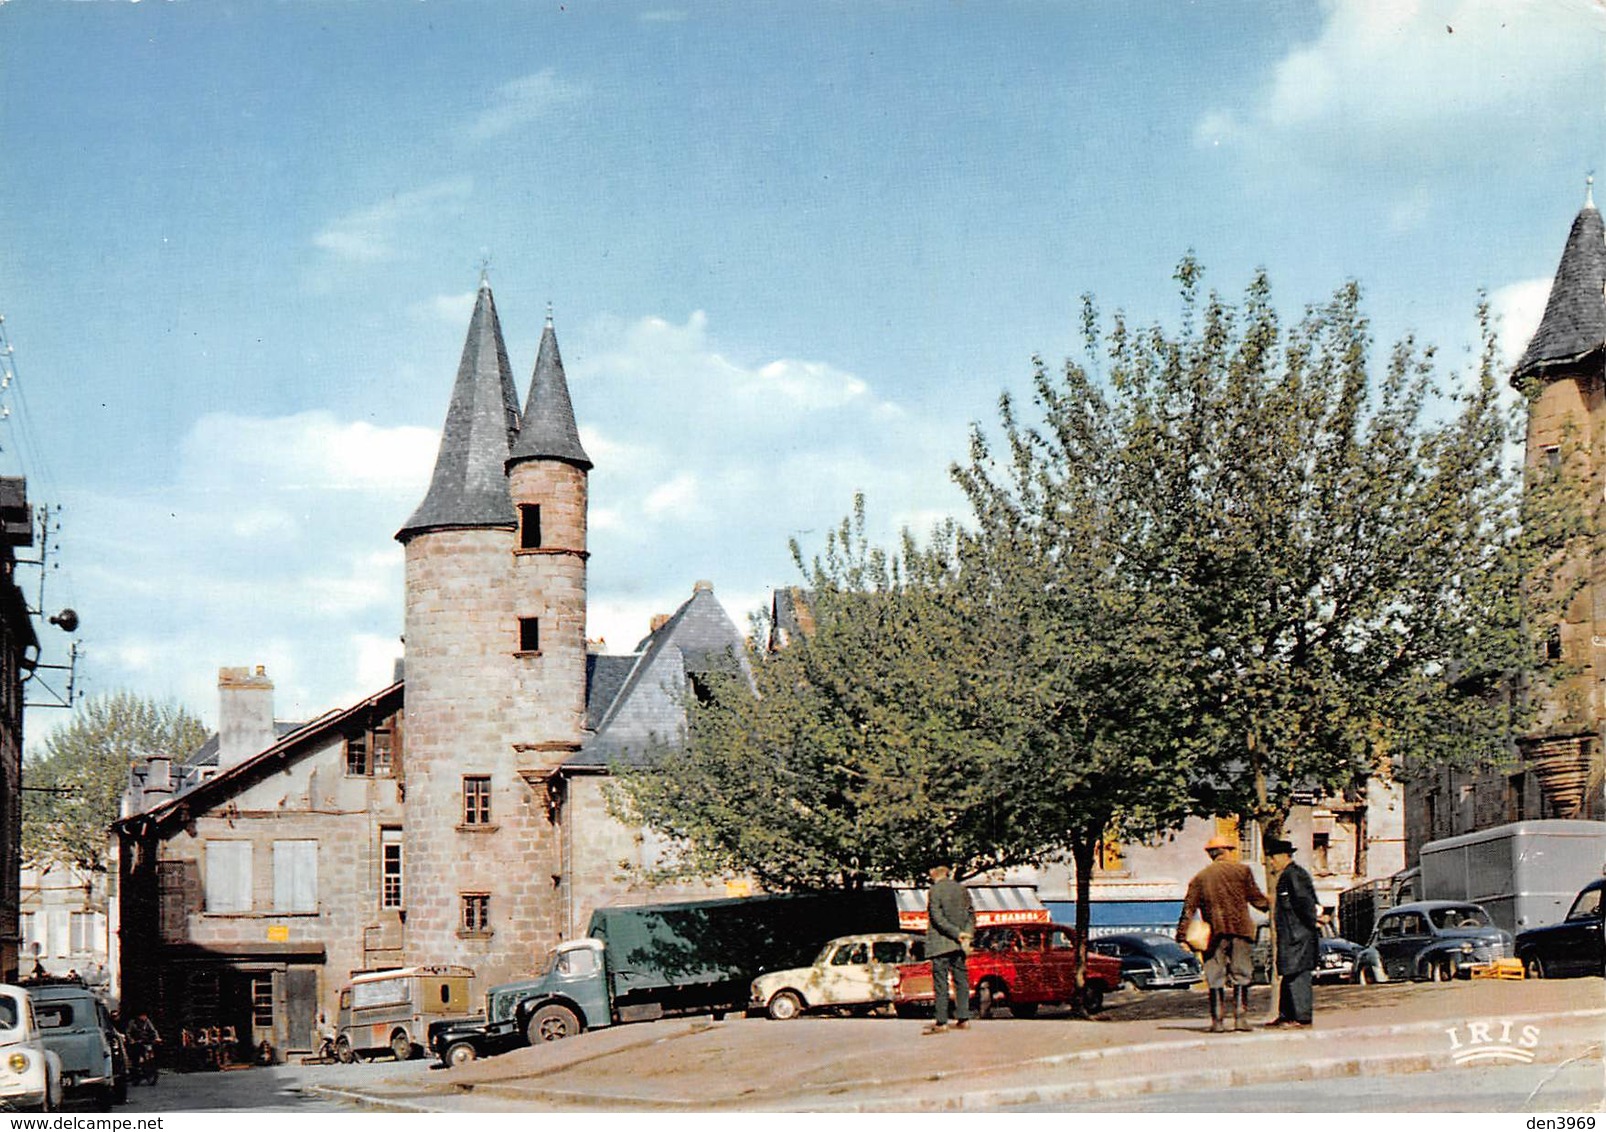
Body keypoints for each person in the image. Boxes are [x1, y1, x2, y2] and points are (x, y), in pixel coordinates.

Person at [1177, 832, 1269, 1033]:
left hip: (1214, 933)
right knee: (1242, 973)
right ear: (1227, 851)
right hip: (1240, 930)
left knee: (1214, 975)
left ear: (1211, 854)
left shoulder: (1200, 878)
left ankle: (1217, 1021)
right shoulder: (1242, 871)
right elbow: (1257, 899)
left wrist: (1182, 936)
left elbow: (1188, 909)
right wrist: (1271, 904)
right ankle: (1240, 1019)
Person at [1265, 837, 1321, 1029]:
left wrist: (1313, 922)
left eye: (1272, 857)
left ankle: (1301, 1017)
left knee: (1298, 975)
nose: (1271, 862)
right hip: (1292, 935)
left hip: (1298, 936)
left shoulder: (1294, 875)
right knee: (1289, 974)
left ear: (1282, 856)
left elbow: (1305, 903)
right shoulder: (1288, 875)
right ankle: (1287, 1015)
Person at [922, 863, 975, 1035]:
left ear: (933, 872)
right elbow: (971, 914)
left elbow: (937, 918)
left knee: (941, 984)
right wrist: (965, 934)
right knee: (961, 981)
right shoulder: (962, 889)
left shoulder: (935, 891)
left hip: (940, 945)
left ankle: (942, 1022)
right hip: (959, 946)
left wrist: (956, 933)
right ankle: (963, 1018)